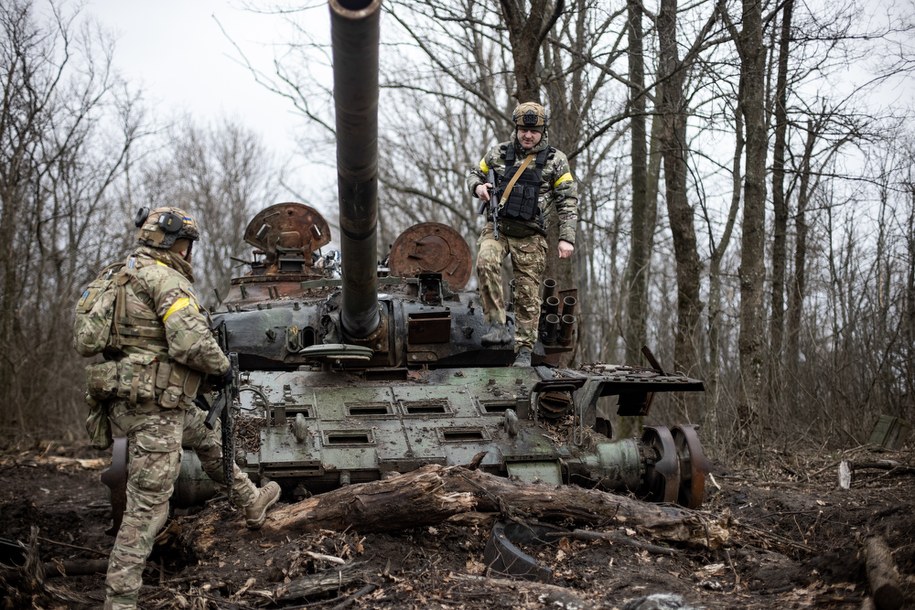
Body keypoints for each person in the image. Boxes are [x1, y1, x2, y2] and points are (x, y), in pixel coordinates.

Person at [100, 207, 281, 610]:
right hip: (156, 408)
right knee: (147, 509)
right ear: (172, 243)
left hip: (133, 398)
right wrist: (223, 369)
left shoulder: (119, 275)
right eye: (186, 243)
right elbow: (191, 343)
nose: (188, 252)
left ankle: (251, 500)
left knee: (205, 434)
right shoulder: (166, 280)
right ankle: (120, 598)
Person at [467, 101, 579, 366]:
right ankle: (497, 325)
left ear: (542, 131)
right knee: (485, 261)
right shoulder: (498, 153)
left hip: (531, 235)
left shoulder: (556, 160)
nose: (528, 135)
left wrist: (566, 238)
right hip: (499, 228)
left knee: (527, 293)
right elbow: (475, 174)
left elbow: (567, 200)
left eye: (534, 131)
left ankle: (525, 350)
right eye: (523, 130)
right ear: (516, 129)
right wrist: (478, 188)